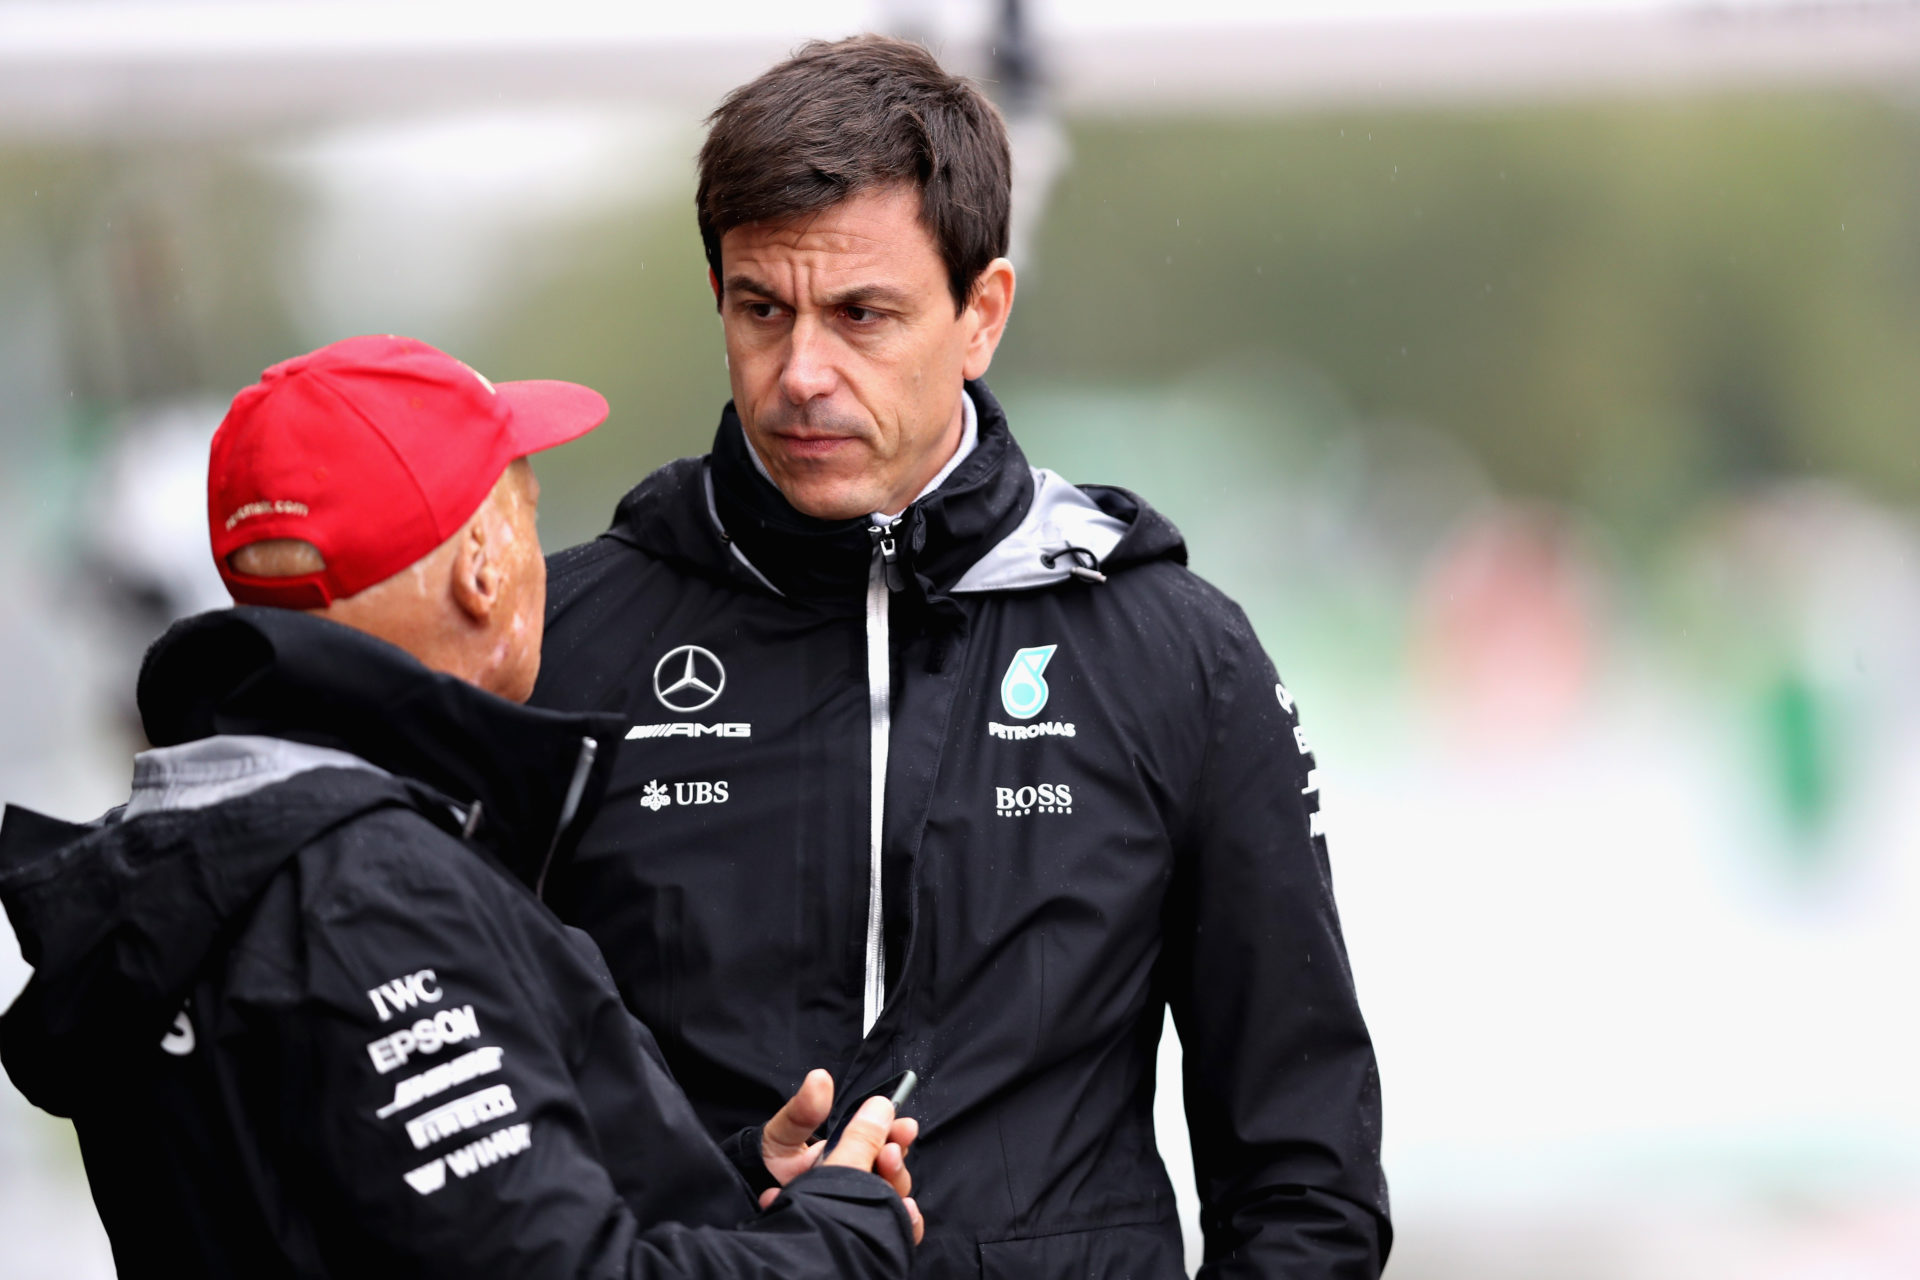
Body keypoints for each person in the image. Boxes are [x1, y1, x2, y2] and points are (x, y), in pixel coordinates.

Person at [532, 35, 1390, 1280]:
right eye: (762, 309)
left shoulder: (1176, 652)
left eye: (861, 315)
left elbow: (1306, 1179)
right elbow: (468, 1144)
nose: (802, 373)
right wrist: (720, 1185)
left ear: (981, 313)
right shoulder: (565, 643)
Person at [0, 335, 922, 1279]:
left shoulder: (209, 852)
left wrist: (725, 1187)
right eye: (525, 514)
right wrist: (837, 1239)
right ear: (481, 567)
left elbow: (376, 1216)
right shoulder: (371, 889)